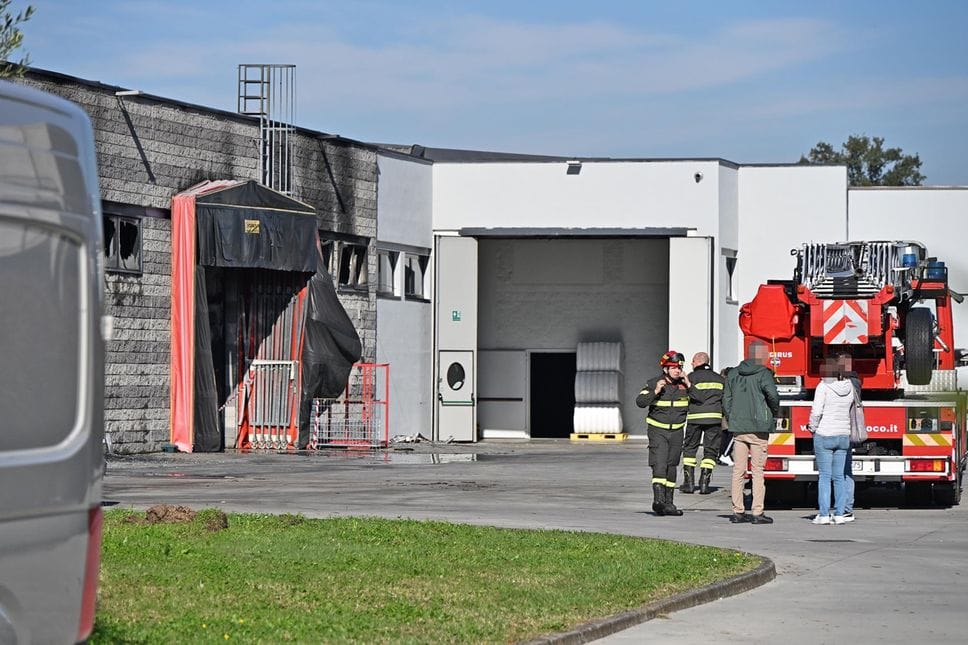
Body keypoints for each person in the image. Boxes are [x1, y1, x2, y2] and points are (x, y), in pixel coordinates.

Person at [723, 340, 780, 524]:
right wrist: (773, 413)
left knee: (738, 471)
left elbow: (726, 399)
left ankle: (738, 511)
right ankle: (757, 512)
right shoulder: (764, 374)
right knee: (757, 471)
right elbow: (772, 395)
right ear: (761, 355)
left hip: (739, 428)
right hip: (759, 428)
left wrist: (733, 417)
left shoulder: (733, 373)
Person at [636, 350, 690, 516]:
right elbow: (640, 402)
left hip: (677, 432)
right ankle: (658, 501)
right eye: (673, 367)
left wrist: (689, 384)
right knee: (659, 464)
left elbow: (701, 399)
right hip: (658, 431)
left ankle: (669, 504)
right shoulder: (654, 383)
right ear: (665, 369)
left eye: (679, 367)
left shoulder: (684, 385)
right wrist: (656, 391)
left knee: (672, 465)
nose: (677, 371)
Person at [808, 358, 854, 525]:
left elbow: (817, 411)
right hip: (843, 435)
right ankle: (840, 514)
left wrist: (812, 427)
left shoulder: (823, 386)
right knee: (839, 477)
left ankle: (824, 514)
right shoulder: (849, 387)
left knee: (825, 477)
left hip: (825, 434)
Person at [681, 352, 725, 495]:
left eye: (692, 362)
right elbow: (725, 400)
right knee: (711, 450)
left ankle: (689, 483)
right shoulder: (720, 379)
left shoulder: (690, 378)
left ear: (696, 361)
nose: (691, 364)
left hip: (695, 418)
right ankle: (704, 484)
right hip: (714, 418)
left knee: (689, 449)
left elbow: (683, 398)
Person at [835, 352, 861, 523]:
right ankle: (845, 508)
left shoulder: (839, 385)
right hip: (846, 430)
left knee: (837, 473)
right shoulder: (855, 382)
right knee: (845, 471)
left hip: (836, 430)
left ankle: (839, 508)